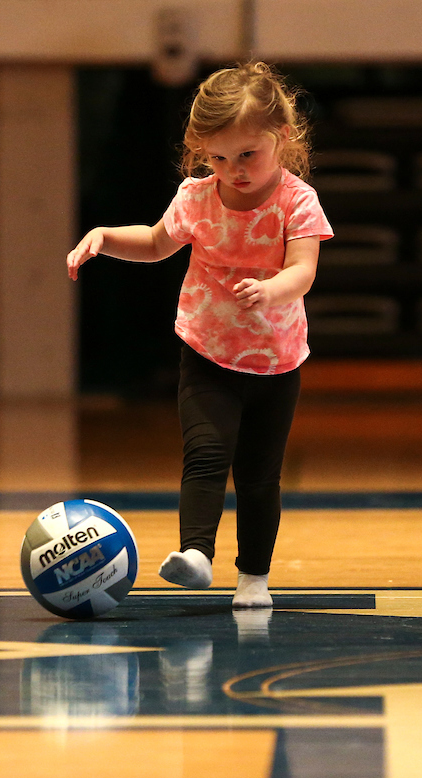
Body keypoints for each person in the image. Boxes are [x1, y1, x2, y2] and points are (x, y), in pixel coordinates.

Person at [66, 62, 332, 608]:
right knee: (205, 455)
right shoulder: (195, 198)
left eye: (247, 156)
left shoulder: (296, 201)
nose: (233, 170)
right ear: (200, 152)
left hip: (276, 364)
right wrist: (105, 237)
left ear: (280, 138)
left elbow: (304, 268)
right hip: (207, 351)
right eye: (218, 158)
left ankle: (254, 578)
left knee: (260, 477)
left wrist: (274, 289)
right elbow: (158, 243)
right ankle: (196, 554)